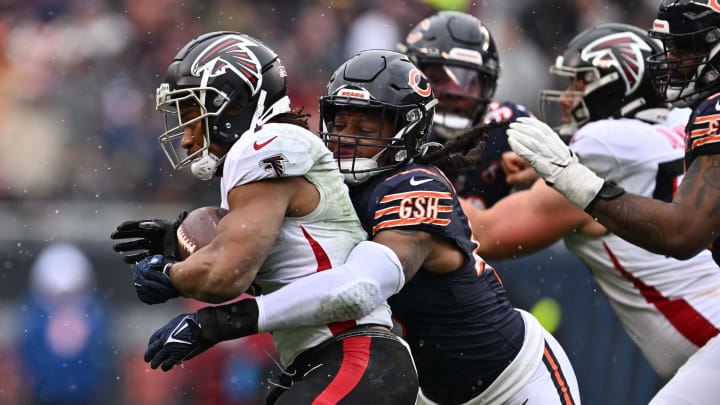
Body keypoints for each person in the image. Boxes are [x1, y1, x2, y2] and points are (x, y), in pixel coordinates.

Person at [141, 50, 582, 405]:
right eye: (340, 120)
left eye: (366, 122)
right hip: (427, 391)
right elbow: (262, 244)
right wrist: (179, 239)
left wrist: (221, 322)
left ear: (407, 127)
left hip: (514, 382)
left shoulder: (413, 184)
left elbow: (360, 288)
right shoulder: (331, 186)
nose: (347, 135)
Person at [111, 31, 418, 405]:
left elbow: (226, 273)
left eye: (193, 116)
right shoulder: (265, 160)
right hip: (336, 362)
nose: (188, 139)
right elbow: (271, 259)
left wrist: (169, 275)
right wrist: (176, 238)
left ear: (235, 105)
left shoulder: (265, 145)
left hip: (353, 356)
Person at [460, 23, 720, 404]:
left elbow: (485, 233)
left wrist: (412, 175)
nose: (566, 97)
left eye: (579, 84)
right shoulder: (680, 122)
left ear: (620, 86)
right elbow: (637, 161)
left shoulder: (601, 145)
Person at [398, 11, 535, 210]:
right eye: (440, 77)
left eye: (469, 81)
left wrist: (541, 178)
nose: (454, 92)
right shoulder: (391, 127)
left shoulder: (508, 128)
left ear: (488, 84)